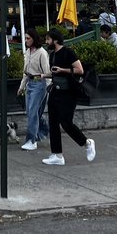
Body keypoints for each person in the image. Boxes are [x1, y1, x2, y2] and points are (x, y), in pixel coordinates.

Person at [42, 27, 95, 165]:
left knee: (66, 123)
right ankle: (57, 155)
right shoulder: (52, 55)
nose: (46, 42)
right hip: (55, 91)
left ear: (55, 40)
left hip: (68, 93)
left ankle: (87, 143)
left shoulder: (68, 52)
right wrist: (42, 75)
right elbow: (54, 72)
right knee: (53, 123)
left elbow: (79, 70)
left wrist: (62, 70)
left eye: (48, 39)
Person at [16, 28, 50, 151]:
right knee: (32, 112)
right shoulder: (28, 52)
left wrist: (48, 87)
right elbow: (25, 72)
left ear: (34, 39)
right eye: (25, 38)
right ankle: (42, 131)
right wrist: (22, 86)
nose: (26, 40)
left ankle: (32, 140)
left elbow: (47, 72)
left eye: (28, 38)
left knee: (32, 112)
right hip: (30, 83)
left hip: (39, 83)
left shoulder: (42, 53)